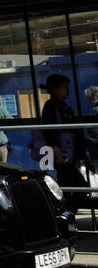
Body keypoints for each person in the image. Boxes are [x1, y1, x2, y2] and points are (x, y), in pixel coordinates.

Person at [41, 74, 86, 207]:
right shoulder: (51, 106)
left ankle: (64, 213)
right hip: (62, 154)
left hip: (69, 153)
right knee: (80, 187)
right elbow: (48, 131)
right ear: (54, 89)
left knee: (67, 187)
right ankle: (66, 213)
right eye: (64, 87)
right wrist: (57, 150)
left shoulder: (63, 105)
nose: (67, 90)